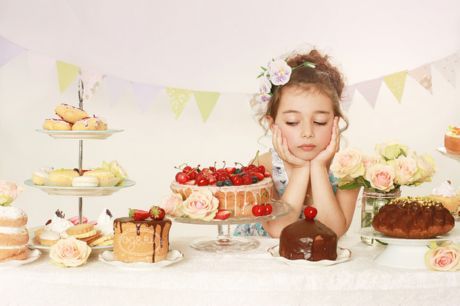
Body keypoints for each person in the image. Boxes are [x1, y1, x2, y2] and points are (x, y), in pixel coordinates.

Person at [234, 48, 360, 238]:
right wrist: (301, 169)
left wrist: (317, 167)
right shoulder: (263, 167)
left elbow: (332, 232)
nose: (307, 133)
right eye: (292, 122)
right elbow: (278, 230)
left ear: (336, 121)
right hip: (260, 263)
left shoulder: (348, 169)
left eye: (319, 122)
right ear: (272, 124)